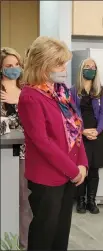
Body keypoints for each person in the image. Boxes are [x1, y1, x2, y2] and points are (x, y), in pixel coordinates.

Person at [17, 36, 88, 251]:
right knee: (44, 235)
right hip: (47, 178)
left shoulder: (62, 92)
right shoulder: (30, 97)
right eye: (59, 63)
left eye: (64, 62)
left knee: (60, 234)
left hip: (69, 174)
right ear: (43, 64)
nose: (64, 67)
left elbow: (76, 131)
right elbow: (42, 142)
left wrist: (82, 164)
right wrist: (72, 170)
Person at [0, 47, 32, 249]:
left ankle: (24, 242)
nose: (13, 69)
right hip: (6, 154)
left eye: (16, 65)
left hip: (27, 153)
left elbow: (34, 119)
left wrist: (19, 102)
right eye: (8, 66)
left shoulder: (27, 89)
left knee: (25, 200)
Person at [71, 58, 103, 214]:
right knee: (81, 169)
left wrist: (97, 130)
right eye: (87, 67)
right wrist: (83, 131)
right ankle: (80, 201)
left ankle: (91, 201)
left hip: (97, 134)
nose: (90, 69)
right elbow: (71, 114)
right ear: (81, 69)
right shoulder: (73, 91)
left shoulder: (101, 90)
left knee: (94, 170)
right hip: (80, 134)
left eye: (93, 67)